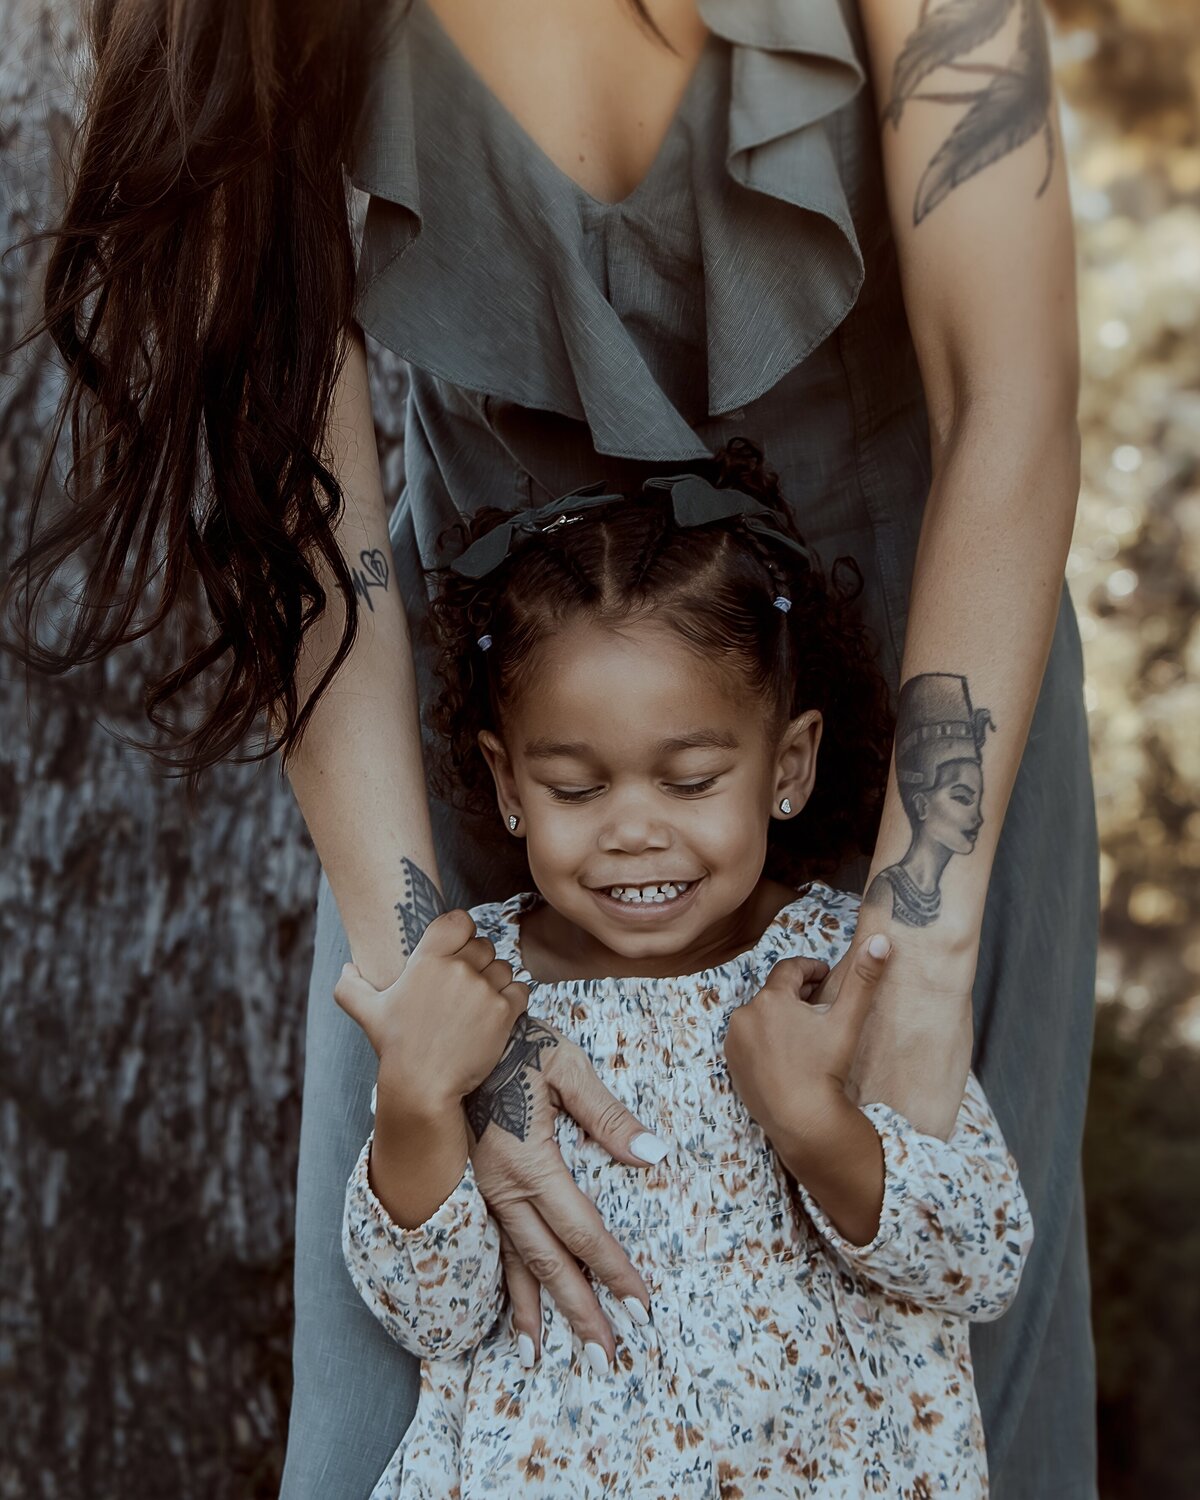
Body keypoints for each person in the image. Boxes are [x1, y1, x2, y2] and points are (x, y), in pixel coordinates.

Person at [4, 1, 1097, 1496]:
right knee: (392, 1403)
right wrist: (436, 998)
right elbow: (292, 521)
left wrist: (917, 964)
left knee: (947, 1377)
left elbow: (1011, 392)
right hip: (494, 716)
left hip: (930, 692)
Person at [332, 454, 1035, 1497]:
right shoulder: (472, 984)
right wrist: (417, 1095)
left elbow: (978, 1260)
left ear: (788, 766)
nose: (633, 831)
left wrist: (812, 1122)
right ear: (506, 782)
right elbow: (430, 1313)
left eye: (691, 780)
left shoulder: (849, 971)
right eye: (576, 788)